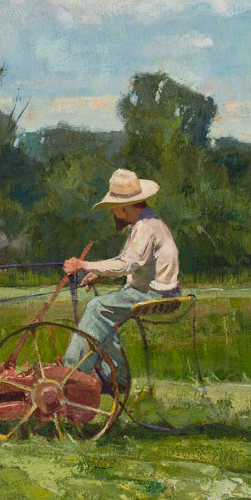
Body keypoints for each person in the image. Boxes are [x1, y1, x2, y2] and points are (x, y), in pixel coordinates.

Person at [60, 168, 181, 393]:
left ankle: (73, 374)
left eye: (114, 207)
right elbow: (131, 262)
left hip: (156, 294)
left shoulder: (145, 227)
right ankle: (115, 376)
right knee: (104, 315)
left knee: (96, 308)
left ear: (126, 206)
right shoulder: (146, 223)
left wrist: (84, 265)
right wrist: (99, 274)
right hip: (156, 290)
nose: (112, 212)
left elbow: (126, 265)